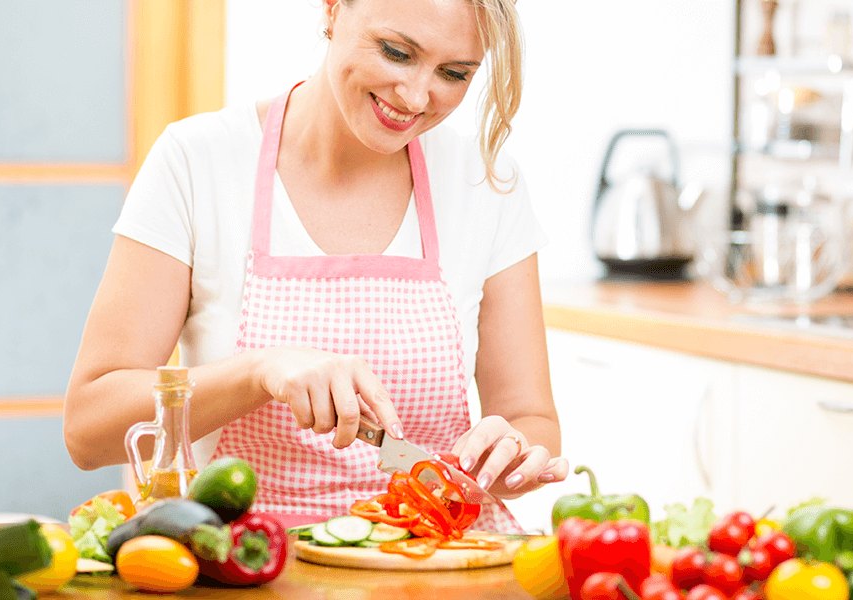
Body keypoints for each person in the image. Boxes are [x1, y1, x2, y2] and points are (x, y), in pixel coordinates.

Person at [64, 0, 567, 532]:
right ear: (331, 9)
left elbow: (530, 418)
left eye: (454, 73)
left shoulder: (485, 182)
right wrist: (258, 372)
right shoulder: (198, 161)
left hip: (437, 563)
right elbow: (89, 429)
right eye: (397, 52)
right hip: (248, 565)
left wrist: (515, 452)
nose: (417, 96)